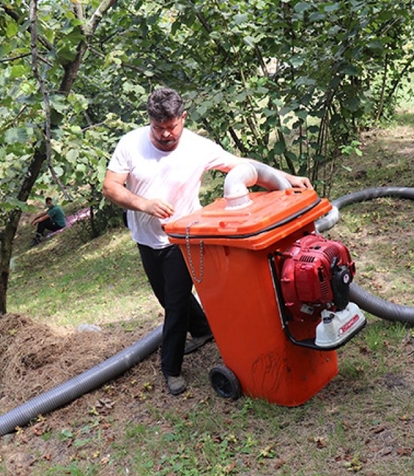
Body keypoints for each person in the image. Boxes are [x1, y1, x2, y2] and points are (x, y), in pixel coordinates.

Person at [102, 87, 312, 395]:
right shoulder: (130, 144)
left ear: (183, 118)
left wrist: (287, 178)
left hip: (185, 236)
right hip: (146, 238)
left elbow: (241, 165)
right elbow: (110, 187)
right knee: (170, 297)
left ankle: (170, 369)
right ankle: (202, 330)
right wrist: (144, 204)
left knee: (173, 306)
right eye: (158, 128)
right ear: (149, 121)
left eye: (171, 127)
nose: (164, 134)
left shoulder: (198, 147)